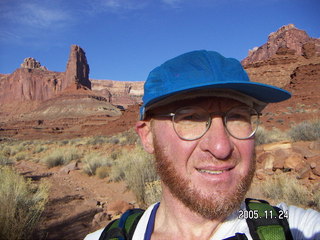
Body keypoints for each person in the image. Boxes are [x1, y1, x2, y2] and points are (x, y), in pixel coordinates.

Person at [85, 50, 320, 240]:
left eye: (238, 117)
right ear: (147, 137)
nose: (221, 148)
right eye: (190, 118)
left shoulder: (294, 229)